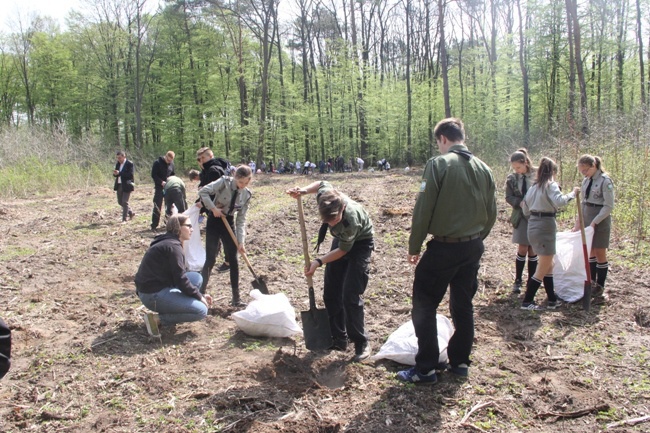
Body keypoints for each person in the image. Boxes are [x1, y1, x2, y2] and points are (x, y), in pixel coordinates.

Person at [397, 118, 497, 384]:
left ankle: (426, 369)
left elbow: (423, 209)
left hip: (444, 247)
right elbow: (492, 213)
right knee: (463, 306)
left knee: (424, 305)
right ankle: (460, 362)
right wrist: (475, 238)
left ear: (443, 139)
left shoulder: (438, 164)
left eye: (438, 143)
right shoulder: (484, 168)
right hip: (473, 247)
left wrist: (414, 245)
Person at [286, 181, 375, 362]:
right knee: (331, 292)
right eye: (328, 220)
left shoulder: (351, 218)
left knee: (350, 294)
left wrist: (318, 261)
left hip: (360, 243)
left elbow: (343, 250)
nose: (332, 222)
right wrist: (303, 191)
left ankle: (361, 343)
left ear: (342, 208)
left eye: (334, 218)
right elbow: (322, 183)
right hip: (341, 240)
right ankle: (339, 338)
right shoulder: (325, 197)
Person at [520, 157, 580, 310]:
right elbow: (560, 202)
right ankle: (527, 301)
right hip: (545, 226)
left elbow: (525, 209)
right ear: (553, 172)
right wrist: (572, 194)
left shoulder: (533, 188)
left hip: (533, 225)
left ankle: (552, 299)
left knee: (549, 264)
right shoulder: (550, 185)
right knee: (544, 265)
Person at [135, 214, 212, 332]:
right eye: (188, 226)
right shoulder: (173, 247)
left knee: (196, 278)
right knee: (201, 310)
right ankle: (157, 319)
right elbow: (180, 279)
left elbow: (180, 275)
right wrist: (199, 297)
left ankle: (178, 305)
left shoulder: (168, 241)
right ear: (178, 227)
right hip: (152, 295)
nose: (192, 229)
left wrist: (196, 295)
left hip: (159, 287)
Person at [199, 165, 253, 307]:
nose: (243, 186)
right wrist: (213, 208)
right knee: (210, 259)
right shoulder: (224, 182)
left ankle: (236, 298)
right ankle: (200, 292)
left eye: (246, 183)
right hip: (214, 220)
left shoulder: (246, 195)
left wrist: (241, 241)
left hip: (228, 222)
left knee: (233, 260)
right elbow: (203, 192)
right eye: (240, 182)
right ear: (235, 177)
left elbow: (241, 219)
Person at [574, 154, 614, 300]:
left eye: (586, 170)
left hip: (600, 219)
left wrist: (595, 221)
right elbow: (583, 203)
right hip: (587, 217)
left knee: (599, 252)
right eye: (581, 171)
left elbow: (608, 206)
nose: (584, 173)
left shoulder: (605, 181)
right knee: (589, 251)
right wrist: (579, 222)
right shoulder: (586, 181)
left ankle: (600, 285)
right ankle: (590, 282)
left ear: (593, 166)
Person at [505, 149, 538, 294]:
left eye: (518, 167)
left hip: (537, 215)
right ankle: (518, 280)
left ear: (525, 162)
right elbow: (508, 197)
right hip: (521, 215)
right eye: (514, 168)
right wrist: (519, 202)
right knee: (522, 247)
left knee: (533, 249)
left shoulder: (538, 174)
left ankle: (532, 280)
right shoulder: (512, 179)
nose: (516, 170)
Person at [196, 147, 230, 272]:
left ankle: (228, 262)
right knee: (215, 235)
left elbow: (212, 192)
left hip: (220, 207)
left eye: (203, 158)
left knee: (224, 235)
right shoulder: (207, 170)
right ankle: (211, 260)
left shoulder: (214, 170)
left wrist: (203, 205)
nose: (201, 161)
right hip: (213, 207)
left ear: (211, 156)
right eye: (199, 159)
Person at [151, 151, 175, 231]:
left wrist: (170, 180)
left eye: (171, 161)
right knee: (157, 205)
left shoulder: (171, 164)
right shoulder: (157, 163)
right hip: (159, 187)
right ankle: (154, 225)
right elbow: (153, 175)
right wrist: (161, 182)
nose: (169, 162)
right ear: (166, 156)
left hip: (168, 187)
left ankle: (168, 223)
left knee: (169, 205)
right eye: (168, 160)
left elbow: (172, 174)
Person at [113, 150, 135, 223]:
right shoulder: (118, 164)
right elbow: (116, 174)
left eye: (119, 158)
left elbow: (130, 175)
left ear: (124, 156)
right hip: (119, 184)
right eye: (117, 158)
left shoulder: (129, 164)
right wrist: (115, 174)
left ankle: (124, 219)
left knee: (125, 202)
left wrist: (120, 173)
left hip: (127, 184)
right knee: (120, 202)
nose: (118, 159)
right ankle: (130, 212)